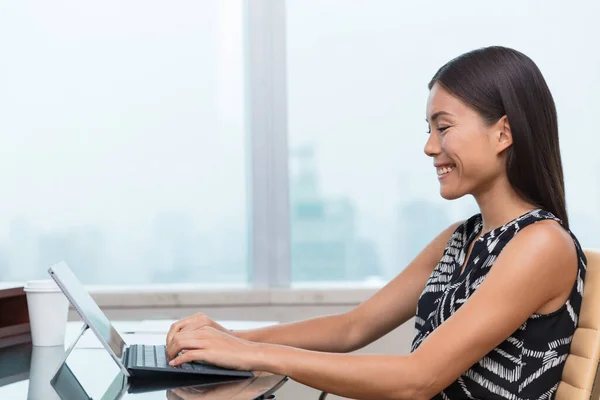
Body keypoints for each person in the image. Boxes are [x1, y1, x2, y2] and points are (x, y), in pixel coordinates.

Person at [165, 46, 586, 399]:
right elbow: (353, 327)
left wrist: (253, 356)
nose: (429, 147)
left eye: (444, 128)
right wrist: (232, 339)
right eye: (429, 129)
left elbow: (419, 378)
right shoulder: (460, 239)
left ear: (503, 134)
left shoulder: (540, 244)